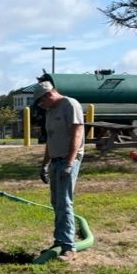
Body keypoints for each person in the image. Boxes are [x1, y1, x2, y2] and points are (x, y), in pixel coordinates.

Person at [32, 80, 84, 261]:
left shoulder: (70, 105)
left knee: (64, 202)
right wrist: (44, 164)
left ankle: (69, 248)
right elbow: (51, 140)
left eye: (41, 102)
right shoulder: (50, 111)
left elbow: (77, 134)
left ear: (49, 94)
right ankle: (59, 241)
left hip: (67, 160)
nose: (41, 106)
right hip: (55, 161)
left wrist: (70, 162)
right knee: (56, 202)